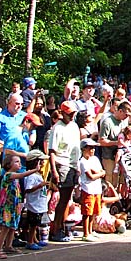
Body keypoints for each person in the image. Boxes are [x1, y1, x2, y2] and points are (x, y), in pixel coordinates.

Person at [48, 101, 81, 242]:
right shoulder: (57, 128)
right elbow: (52, 151)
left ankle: (62, 226)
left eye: (74, 113)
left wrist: (78, 168)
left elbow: (76, 149)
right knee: (62, 199)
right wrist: (54, 171)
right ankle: (56, 229)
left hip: (73, 165)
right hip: (62, 164)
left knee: (67, 199)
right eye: (70, 114)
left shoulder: (74, 126)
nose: (72, 116)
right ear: (62, 113)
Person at [0, 154, 37, 258]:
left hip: (15, 206)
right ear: (9, 165)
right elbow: (23, 175)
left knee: (12, 227)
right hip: (7, 207)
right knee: (5, 228)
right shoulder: (9, 175)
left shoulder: (15, 176)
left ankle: (9, 246)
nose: (19, 163)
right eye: (16, 162)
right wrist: (35, 170)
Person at [78, 138, 105, 242]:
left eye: (93, 148)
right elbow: (91, 176)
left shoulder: (95, 159)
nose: (92, 150)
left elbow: (100, 171)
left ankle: (91, 231)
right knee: (87, 213)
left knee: (93, 211)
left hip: (96, 189)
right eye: (90, 148)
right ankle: (85, 233)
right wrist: (100, 174)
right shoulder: (83, 162)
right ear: (84, 149)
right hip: (87, 189)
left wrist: (98, 173)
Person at [98, 98, 131, 186]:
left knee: (121, 179)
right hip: (109, 156)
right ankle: (109, 197)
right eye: (126, 115)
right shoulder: (107, 122)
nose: (126, 117)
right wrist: (116, 143)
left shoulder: (123, 122)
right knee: (110, 179)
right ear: (120, 111)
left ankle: (119, 197)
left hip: (121, 155)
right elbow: (101, 141)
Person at [22, 150, 48, 250]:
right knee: (32, 224)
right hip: (34, 205)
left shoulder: (38, 174)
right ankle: (30, 241)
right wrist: (39, 186)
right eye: (41, 161)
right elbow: (28, 189)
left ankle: (35, 239)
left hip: (39, 203)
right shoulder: (31, 176)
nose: (43, 163)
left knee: (36, 223)